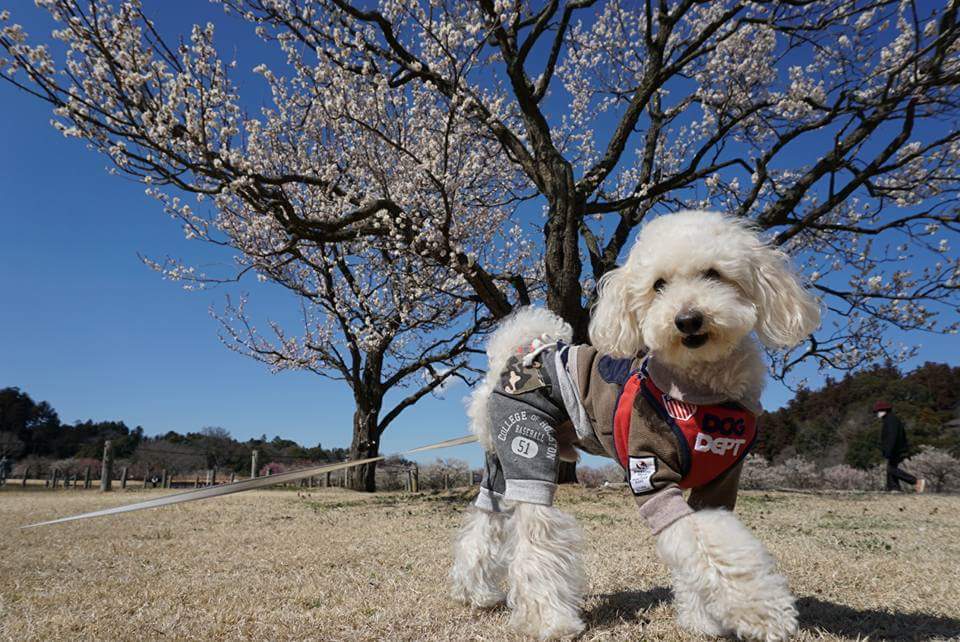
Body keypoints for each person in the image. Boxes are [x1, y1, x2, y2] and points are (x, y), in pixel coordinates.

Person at [875, 401, 925, 493]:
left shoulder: (890, 421)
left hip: (895, 449)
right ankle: (894, 488)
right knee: (891, 467)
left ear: (884, 411)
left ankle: (915, 481)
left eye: (878, 411)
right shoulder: (892, 419)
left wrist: (888, 450)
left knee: (891, 469)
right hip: (897, 448)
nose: (877, 414)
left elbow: (891, 436)